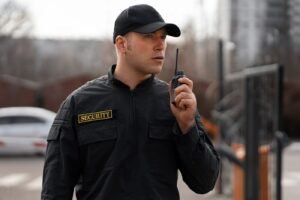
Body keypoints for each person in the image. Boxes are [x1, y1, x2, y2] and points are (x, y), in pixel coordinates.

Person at [41, 4, 220, 200]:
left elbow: (205, 183)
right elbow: (54, 192)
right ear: (121, 44)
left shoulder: (177, 103)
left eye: (163, 37)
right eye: (149, 36)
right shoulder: (79, 104)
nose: (160, 45)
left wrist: (187, 127)